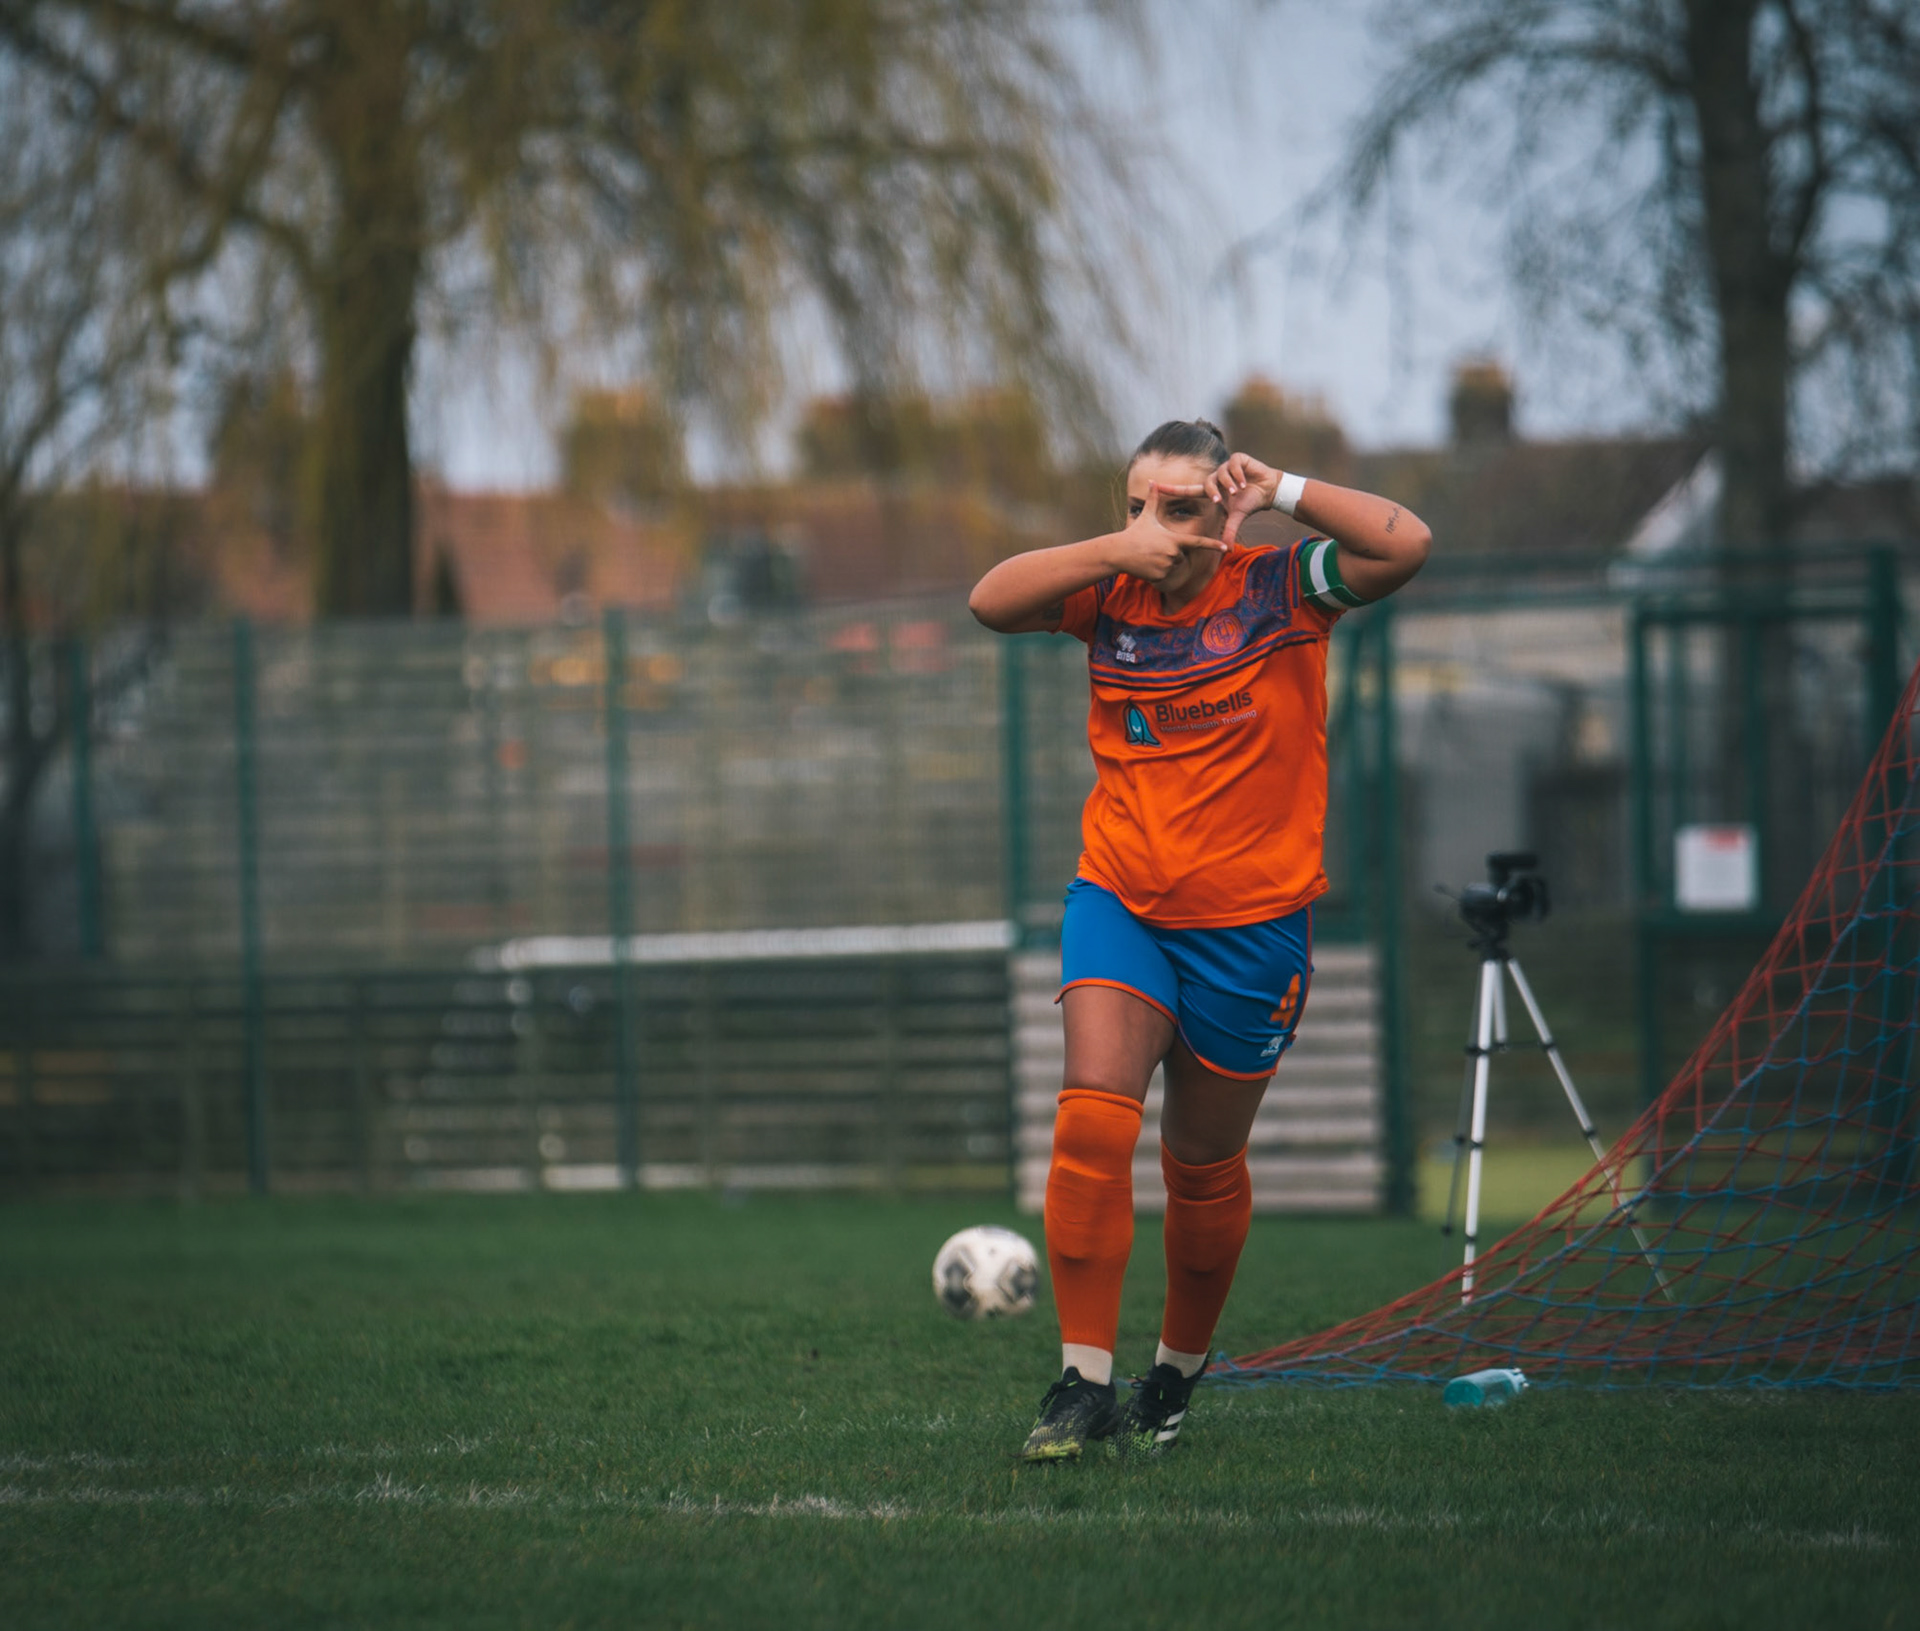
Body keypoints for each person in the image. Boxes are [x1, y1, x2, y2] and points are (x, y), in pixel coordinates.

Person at [968, 419, 1430, 1460]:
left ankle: (1173, 1374)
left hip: (1254, 930)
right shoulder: (1109, 594)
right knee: (1092, 1119)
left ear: (1226, 512)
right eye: (1137, 503)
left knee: (1203, 1166)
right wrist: (1110, 548)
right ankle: (1081, 1384)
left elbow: (1405, 544)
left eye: (1180, 508)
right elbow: (990, 600)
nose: (1153, 527)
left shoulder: (1284, 588)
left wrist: (1285, 487)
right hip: (1121, 899)